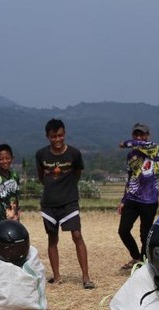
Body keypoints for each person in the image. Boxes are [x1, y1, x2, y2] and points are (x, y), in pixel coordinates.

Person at [35, 118, 94, 289]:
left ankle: (86, 276)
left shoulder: (74, 154)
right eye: (53, 137)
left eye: (60, 136)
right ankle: (57, 275)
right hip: (49, 203)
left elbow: (77, 174)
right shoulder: (41, 155)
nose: (57, 140)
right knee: (52, 238)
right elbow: (41, 176)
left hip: (69, 201)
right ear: (47, 137)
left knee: (77, 235)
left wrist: (66, 189)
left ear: (64, 134)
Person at [117, 122, 159, 271]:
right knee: (123, 230)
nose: (139, 137)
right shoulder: (131, 155)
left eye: (142, 134)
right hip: (132, 198)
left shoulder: (153, 149)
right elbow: (130, 177)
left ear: (148, 136)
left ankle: (144, 263)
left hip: (149, 200)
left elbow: (138, 144)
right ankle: (136, 256)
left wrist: (125, 143)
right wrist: (123, 199)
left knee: (145, 233)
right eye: (136, 134)